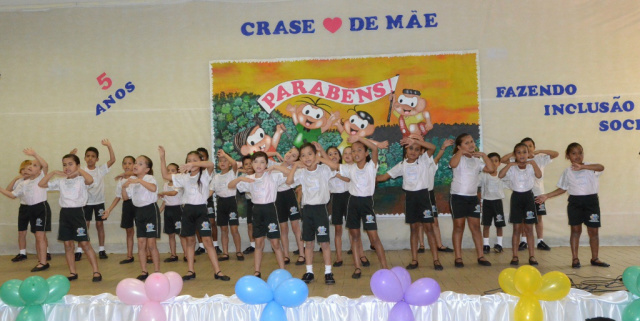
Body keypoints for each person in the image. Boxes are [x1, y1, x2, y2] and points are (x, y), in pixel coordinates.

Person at [159, 146, 230, 281]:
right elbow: (165, 175)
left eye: (194, 160)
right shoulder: (183, 177)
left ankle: (218, 271)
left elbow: (210, 164)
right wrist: (162, 158)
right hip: (187, 211)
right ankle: (191, 270)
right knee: (190, 241)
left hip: (201, 210)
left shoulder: (204, 174)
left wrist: (193, 164)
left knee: (207, 241)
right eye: (189, 160)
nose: (191, 162)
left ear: (199, 161)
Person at [535, 143, 609, 268]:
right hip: (575, 203)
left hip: (591, 203)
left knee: (593, 231)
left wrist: (583, 167)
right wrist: (546, 195)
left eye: (580, 153)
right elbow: (562, 189)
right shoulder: (567, 172)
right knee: (575, 230)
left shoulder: (590, 167)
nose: (577, 156)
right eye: (573, 153)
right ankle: (575, 258)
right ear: (568, 156)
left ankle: (595, 258)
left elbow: (601, 167)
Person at [376, 135, 443, 270]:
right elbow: (384, 177)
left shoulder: (424, 161)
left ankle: (436, 259)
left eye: (417, 149)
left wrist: (416, 141)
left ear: (420, 152)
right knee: (414, 229)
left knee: (429, 229)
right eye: (411, 148)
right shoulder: (402, 165)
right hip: (411, 198)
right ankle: (414, 260)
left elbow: (433, 147)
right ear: (406, 150)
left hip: (423, 197)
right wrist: (369, 178)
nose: (413, 151)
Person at [38, 154, 102, 282]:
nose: (67, 167)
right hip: (65, 214)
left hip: (78, 213)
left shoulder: (81, 180)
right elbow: (41, 184)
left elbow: (90, 180)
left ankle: (96, 271)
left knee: (85, 243)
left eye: (70, 164)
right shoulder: (61, 181)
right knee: (68, 245)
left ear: (77, 165)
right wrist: (54, 172)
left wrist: (79, 171)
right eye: (64, 164)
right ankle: (73, 272)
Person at [228, 151, 289, 278]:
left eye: (262, 162)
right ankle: (257, 271)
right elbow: (230, 185)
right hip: (257, 211)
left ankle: (283, 270)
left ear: (266, 164)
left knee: (275, 243)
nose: (259, 165)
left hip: (270, 210)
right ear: (252, 164)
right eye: (255, 162)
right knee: (259, 243)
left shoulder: (272, 175)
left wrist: (276, 167)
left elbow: (290, 174)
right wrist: (239, 178)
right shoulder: (249, 179)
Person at [287, 142, 340, 284]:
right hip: (307, 210)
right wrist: (295, 166)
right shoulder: (302, 172)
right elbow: (289, 181)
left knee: (324, 243)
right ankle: (309, 272)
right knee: (308, 243)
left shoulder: (323, 169)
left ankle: (328, 273)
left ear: (315, 155)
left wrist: (320, 158)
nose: (306, 158)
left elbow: (335, 167)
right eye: (303, 155)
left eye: (309, 154)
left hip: (320, 209)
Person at [340, 136, 389, 279]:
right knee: (354, 236)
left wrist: (359, 137)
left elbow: (375, 148)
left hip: (366, 204)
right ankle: (357, 267)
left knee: (374, 238)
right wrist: (321, 156)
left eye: (359, 150)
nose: (356, 153)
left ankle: (385, 268)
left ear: (366, 153)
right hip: (353, 203)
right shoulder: (350, 168)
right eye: (353, 151)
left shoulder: (371, 166)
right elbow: (333, 165)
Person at [502, 138, 558, 251]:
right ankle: (524, 241)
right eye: (524, 148)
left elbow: (555, 154)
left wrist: (538, 152)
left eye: (530, 146)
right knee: (523, 219)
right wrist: (516, 153)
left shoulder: (540, 158)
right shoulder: (518, 160)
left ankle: (540, 241)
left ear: (533, 147)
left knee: (538, 217)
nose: (528, 149)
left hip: (539, 193)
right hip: (523, 193)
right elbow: (503, 159)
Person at [0, 149, 51, 270]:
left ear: (39, 171)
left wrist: (34, 154)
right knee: (37, 235)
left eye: (34, 165)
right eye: (30, 165)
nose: (30, 167)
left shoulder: (41, 177)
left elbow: (45, 165)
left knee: (40, 236)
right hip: (30, 209)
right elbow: (12, 194)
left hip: (41, 208)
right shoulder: (24, 183)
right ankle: (41, 260)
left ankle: (43, 262)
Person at [449, 133, 494, 267]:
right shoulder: (457, 157)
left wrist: (484, 156)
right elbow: (453, 164)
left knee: (475, 227)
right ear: (459, 146)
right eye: (466, 143)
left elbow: (491, 169)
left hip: (473, 198)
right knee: (458, 226)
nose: (471, 144)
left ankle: (481, 256)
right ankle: (458, 257)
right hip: (457, 197)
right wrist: (460, 152)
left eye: (472, 141)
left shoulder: (477, 161)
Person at [498, 144, 542, 266]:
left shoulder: (531, 166)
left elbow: (539, 175)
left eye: (524, 152)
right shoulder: (512, 167)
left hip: (528, 197)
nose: (522, 155)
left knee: (529, 228)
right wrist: (509, 164)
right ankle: (515, 255)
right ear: (514, 154)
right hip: (516, 197)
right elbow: (500, 175)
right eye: (518, 152)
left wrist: (533, 163)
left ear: (528, 154)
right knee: (516, 228)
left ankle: (532, 255)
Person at [73, 140, 116, 261]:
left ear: (97, 159)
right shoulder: (81, 170)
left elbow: (112, 160)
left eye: (93, 156)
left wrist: (109, 146)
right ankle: (79, 250)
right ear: (84, 158)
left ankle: (101, 249)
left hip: (99, 202)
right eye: (88, 156)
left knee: (99, 224)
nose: (90, 158)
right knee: (84, 226)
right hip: (85, 202)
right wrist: (71, 155)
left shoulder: (100, 169)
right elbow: (70, 167)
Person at [121, 155, 161, 280]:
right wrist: (123, 187)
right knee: (141, 243)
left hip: (150, 211)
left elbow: (153, 188)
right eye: (136, 163)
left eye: (140, 163)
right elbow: (126, 198)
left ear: (147, 169)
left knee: (151, 244)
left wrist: (140, 181)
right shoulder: (132, 181)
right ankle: (144, 271)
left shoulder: (150, 178)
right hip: (139, 212)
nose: (135, 165)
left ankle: (157, 271)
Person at [418, 139, 455, 253]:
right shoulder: (413, 164)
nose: (423, 154)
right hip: (418, 194)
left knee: (434, 221)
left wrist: (443, 146)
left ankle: (439, 245)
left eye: (423, 151)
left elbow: (437, 157)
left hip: (429, 194)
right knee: (419, 222)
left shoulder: (431, 165)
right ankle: (421, 245)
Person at [271, 147, 305, 265]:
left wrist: (294, 164)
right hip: (277, 198)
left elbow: (289, 173)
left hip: (289, 196)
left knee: (296, 226)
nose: (290, 155)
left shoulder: (295, 168)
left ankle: (302, 254)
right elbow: (259, 154)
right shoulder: (274, 164)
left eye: (294, 155)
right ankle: (285, 255)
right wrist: (275, 152)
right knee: (283, 228)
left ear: (297, 160)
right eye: (289, 152)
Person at [210, 150, 243, 261]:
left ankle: (239, 251)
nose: (222, 162)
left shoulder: (232, 173)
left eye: (225, 160)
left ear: (229, 163)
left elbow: (234, 164)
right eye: (220, 161)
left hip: (231, 202)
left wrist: (225, 155)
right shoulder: (216, 177)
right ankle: (225, 253)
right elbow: (210, 191)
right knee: (223, 229)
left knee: (234, 229)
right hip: (221, 203)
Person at [103, 156, 136, 264]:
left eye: (130, 163)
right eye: (125, 163)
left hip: (139, 204)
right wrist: (109, 209)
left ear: (134, 165)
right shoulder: (121, 181)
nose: (127, 166)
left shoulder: (138, 177)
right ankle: (129, 256)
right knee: (129, 230)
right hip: (127, 204)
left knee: (143, 231)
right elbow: (118, 197)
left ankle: (148, 254)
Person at [478, 152, 507, 254]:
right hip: (487, 202)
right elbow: (476, 183)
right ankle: (486, 245)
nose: (493, 163)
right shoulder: (483, 175)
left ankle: (499, 244)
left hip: (498, 202)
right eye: (491, 161)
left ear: (499, 163)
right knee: (486, 224)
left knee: (499, 224)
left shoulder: (501, 175)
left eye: (496, 161)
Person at [4, 160, 32, 262]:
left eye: (28, 169)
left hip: (36, 207)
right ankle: (22, 253)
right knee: (21, 232)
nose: (25, 171)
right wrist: (16, 178)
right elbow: (8, 191)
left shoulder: (35, 180)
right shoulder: (19, 182)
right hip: (24, 208)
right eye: (23, 169)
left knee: (39, 232)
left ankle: (46, 252)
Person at [197, 147, 221, 255]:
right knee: (197, 224)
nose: (201, 159)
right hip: (196, 202)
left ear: (207, 158)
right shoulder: (193, 171)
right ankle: (201, 246)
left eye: (203, 157)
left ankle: (215, 245)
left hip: (208, 199)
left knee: (212, 222)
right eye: (199, 157)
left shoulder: (209, 172)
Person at [158, 163, 184, 263]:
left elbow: (174, 193)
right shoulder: (165, 185)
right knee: (171, 234)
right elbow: (165, 201)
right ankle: (173, 255)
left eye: (173, 171)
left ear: (177, 172)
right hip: (168, 210)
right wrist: (159, 211)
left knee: (181, 234)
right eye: (168, 170)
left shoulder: (179, 184)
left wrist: (163, 193)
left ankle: (186, 254)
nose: (170, 173)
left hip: (178, 210)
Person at [238, 155, 256, 255]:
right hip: (250, 202)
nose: (249, 166)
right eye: (246, 164)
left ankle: (273, 244)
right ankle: (253, 246)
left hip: (261, 203)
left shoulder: (259, 175)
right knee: (250, 224)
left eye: (250, 163)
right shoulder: (243, 178)